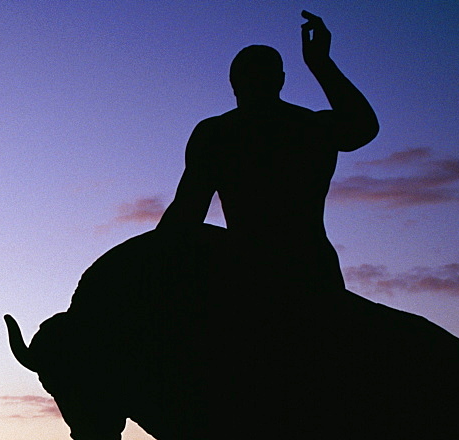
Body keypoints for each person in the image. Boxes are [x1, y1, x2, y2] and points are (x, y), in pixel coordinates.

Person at [157, 11, 378, 295]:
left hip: (261, 271)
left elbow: (187, 211)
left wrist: (152, 265)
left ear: (233, 83)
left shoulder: (219, 133)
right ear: (281, 80)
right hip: (303, 268)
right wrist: (320, 63)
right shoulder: (310, 126)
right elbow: (363, 125)